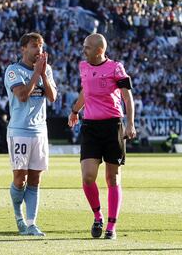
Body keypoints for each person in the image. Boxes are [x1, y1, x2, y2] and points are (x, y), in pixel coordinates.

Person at [68, 33, 136, 240]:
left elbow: (127, 97)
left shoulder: (116, 67)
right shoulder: (83, 66)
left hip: (112, 126)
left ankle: (111, 227)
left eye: (87, 47)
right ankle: (98, 216)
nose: (83, 50)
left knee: (112, 178)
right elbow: (85, 91)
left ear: (99, 51)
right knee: (88, 176)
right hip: (90, 127)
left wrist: (130, 123)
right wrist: (75, 110)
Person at [4, 32, 57, 236]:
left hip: (39, 131)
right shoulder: (13, 71)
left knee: (35, 179)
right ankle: (19, 217)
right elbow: (23, 95)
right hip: (19, 131)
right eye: (34, 46)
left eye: (41, 46)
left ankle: (32, 223)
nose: (39, 50)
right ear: (23, 49)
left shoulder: (47, 70)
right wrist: (36, 73)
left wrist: (43, 74)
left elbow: (52, 98)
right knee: (20, 179)